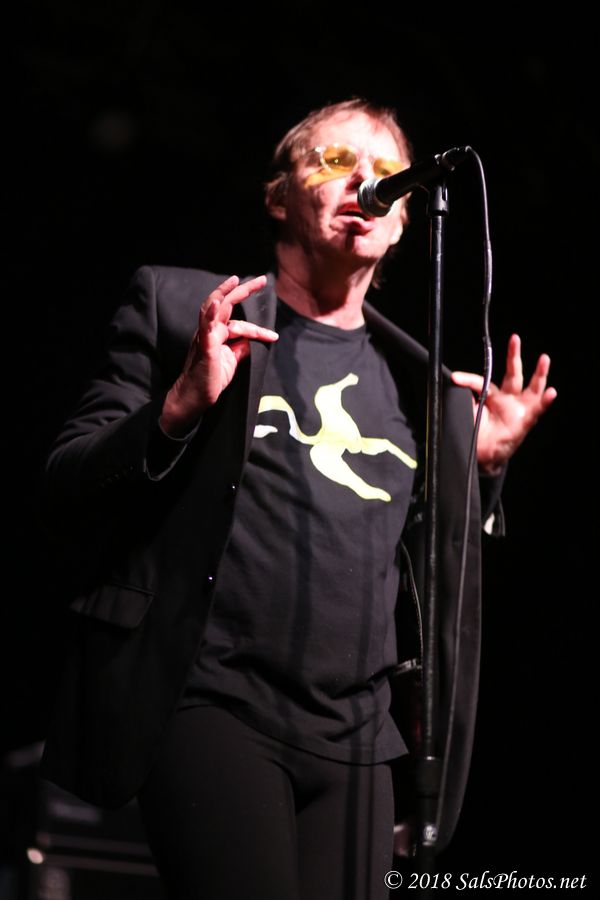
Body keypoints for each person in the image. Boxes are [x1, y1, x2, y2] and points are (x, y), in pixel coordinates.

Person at [40, 99, 556, 900]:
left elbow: (423, 569)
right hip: (213, 703)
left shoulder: (420, 387)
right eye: (336, 161)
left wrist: (478, 468)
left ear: (404, 221)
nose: (364, 183)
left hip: (358, 738)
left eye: (387, 174)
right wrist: (178, 405)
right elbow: (69, 476)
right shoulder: (185, 311)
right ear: (279, 196)